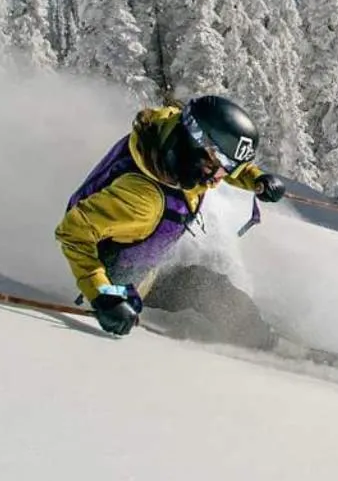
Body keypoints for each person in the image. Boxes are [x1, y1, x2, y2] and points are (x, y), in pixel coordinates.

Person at [55, 94, 287, 337]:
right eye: (220, 166)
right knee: (211, 293)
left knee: (210, 287)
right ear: (194, 148)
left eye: (229, 167)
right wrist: (103, 296)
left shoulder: (172, 143)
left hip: (143, 265)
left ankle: (262, 337)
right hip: (117, 286)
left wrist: (255, 179)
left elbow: (220, 159)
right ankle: (264, 346)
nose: (221, 177)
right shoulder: (141, 199)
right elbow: (73, 233)